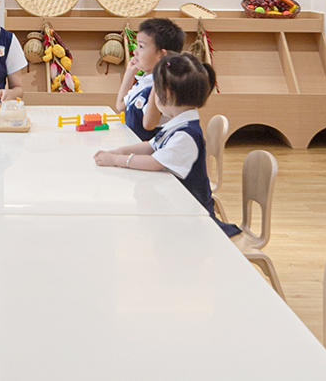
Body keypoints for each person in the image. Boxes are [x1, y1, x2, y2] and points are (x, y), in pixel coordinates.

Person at [93, 53, 239, 237]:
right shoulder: (177, 123)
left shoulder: (185, 135)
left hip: (191, 220)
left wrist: (118, 160)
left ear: (167, 95)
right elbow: (151, 145)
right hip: (176, 206)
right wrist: (120, 151)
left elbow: (155, 162)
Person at [113, 17, 186, 141]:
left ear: (161, 55)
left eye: (141, 46)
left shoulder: (162, 86)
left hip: (150, 150)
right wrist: (130, 73)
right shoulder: (144, 81)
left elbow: (148, 125)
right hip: (133, 144)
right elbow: (120, 106)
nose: (135, 52)